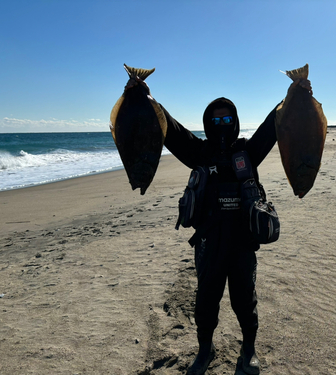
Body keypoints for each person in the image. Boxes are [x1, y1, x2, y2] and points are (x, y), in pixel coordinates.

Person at [126, 76, 312, 375]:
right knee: (206, 301)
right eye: (216, 119)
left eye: (227, 118)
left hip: (242, 241)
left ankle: (248, 350)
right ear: (207, 123)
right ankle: (205, 349)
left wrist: (292, 95)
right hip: (208, 242)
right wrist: (147, 99)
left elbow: (271, 127)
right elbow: (171, 131)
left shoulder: (248, 153)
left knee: (244, 300)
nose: (222, 124)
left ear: (235, 121)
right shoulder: (198, 153)